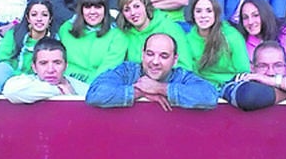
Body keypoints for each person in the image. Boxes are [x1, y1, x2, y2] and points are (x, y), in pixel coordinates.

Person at [86, 33, 218, 111]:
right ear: (142, 55)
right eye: (150, 54)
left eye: (164, 56)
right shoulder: (127, 71)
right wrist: (140, 91)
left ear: (175, 60)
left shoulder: (181, 76)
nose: (155, 61)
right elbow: (95, 93)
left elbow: (209, 96)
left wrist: (161, 88)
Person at [58, 0, 127, 84]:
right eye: (87, 7)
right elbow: (57, 62)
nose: (92, 12)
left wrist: (82, 81)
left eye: (98, 7)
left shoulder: (117, 35)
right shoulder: (65, 29)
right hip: (64, 83)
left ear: (105, 10)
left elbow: (106, 71)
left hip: (99, 88)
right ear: (81, 9)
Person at [116, 0, 192, 70]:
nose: (133, 13)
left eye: (136, 6)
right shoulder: (124, 34)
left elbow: (185, 66)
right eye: (127, 10)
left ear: (146, 6)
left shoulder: (169, 28)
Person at [186, 0, 250, 89]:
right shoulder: (188, 39)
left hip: (230, 86)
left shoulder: (232, 36)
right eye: (198, 11)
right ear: (193, 15)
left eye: (209, 11)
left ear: (216, 14)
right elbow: (188, 71)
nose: (203, 15)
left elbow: (243, 70)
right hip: (200, 88)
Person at [3, 38, 88, 103]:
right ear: (34, 67)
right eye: (43, 63)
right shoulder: (25, 84)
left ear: (65, 66)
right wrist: (58, 90)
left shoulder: (81, 89)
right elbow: (10, 91)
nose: (50, 70)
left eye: (57, 63)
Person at [0, 0, 55, 76]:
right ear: (28, 18)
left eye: (44, 15)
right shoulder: (14, 34)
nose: (39, 19)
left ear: (50, 19)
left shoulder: (56, 40)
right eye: (34, 15)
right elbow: (1, 60)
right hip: (12, 80)